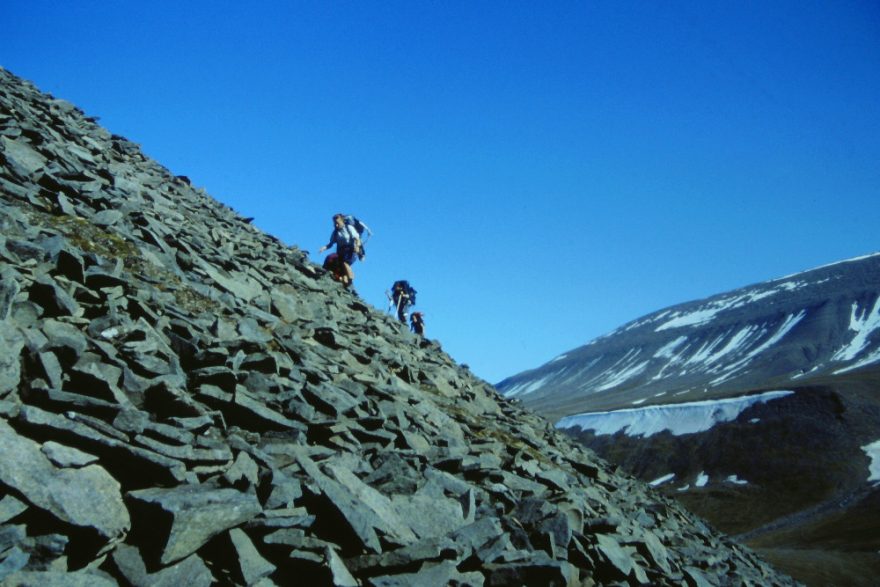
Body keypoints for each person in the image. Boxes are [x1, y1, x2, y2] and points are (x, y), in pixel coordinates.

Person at [318, 213, 361, 287]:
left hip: (351, 251)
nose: (336, 225)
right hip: (341, 252)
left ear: (342, 221)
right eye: (335, 224)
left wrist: (357, 247)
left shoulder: (349, 228)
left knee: (345, 262)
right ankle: (342, 280)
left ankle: (350, 279)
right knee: (330, 258)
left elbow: (357, 238)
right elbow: (330, 244)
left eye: (337, 223)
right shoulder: (335, 232)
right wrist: (323, 248)